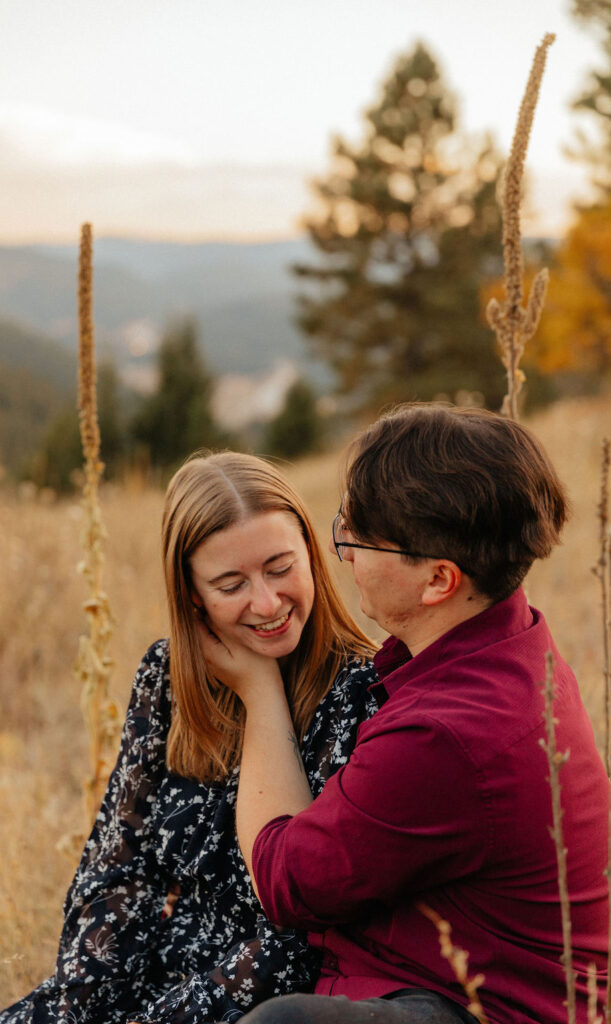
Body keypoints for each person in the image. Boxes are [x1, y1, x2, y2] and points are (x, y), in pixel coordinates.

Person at [201, 405, 609, 1024]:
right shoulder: (511, 644)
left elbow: (282, 879)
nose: (342, 554)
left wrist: (258, 692)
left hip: (479, 1009)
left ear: (439, 580)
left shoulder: (447, 733)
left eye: (358, 539)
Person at [0, 451, 378, 1024]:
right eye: (230, 583)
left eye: (280, 567)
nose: (267, 603)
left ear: (313, 556)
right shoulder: (166, 677)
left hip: (255, 1004)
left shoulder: (363, 693)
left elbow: (304, 933)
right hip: (135, 981)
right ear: (192, 594)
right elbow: (116, 868)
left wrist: (261, 694)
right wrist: (82, 1002)